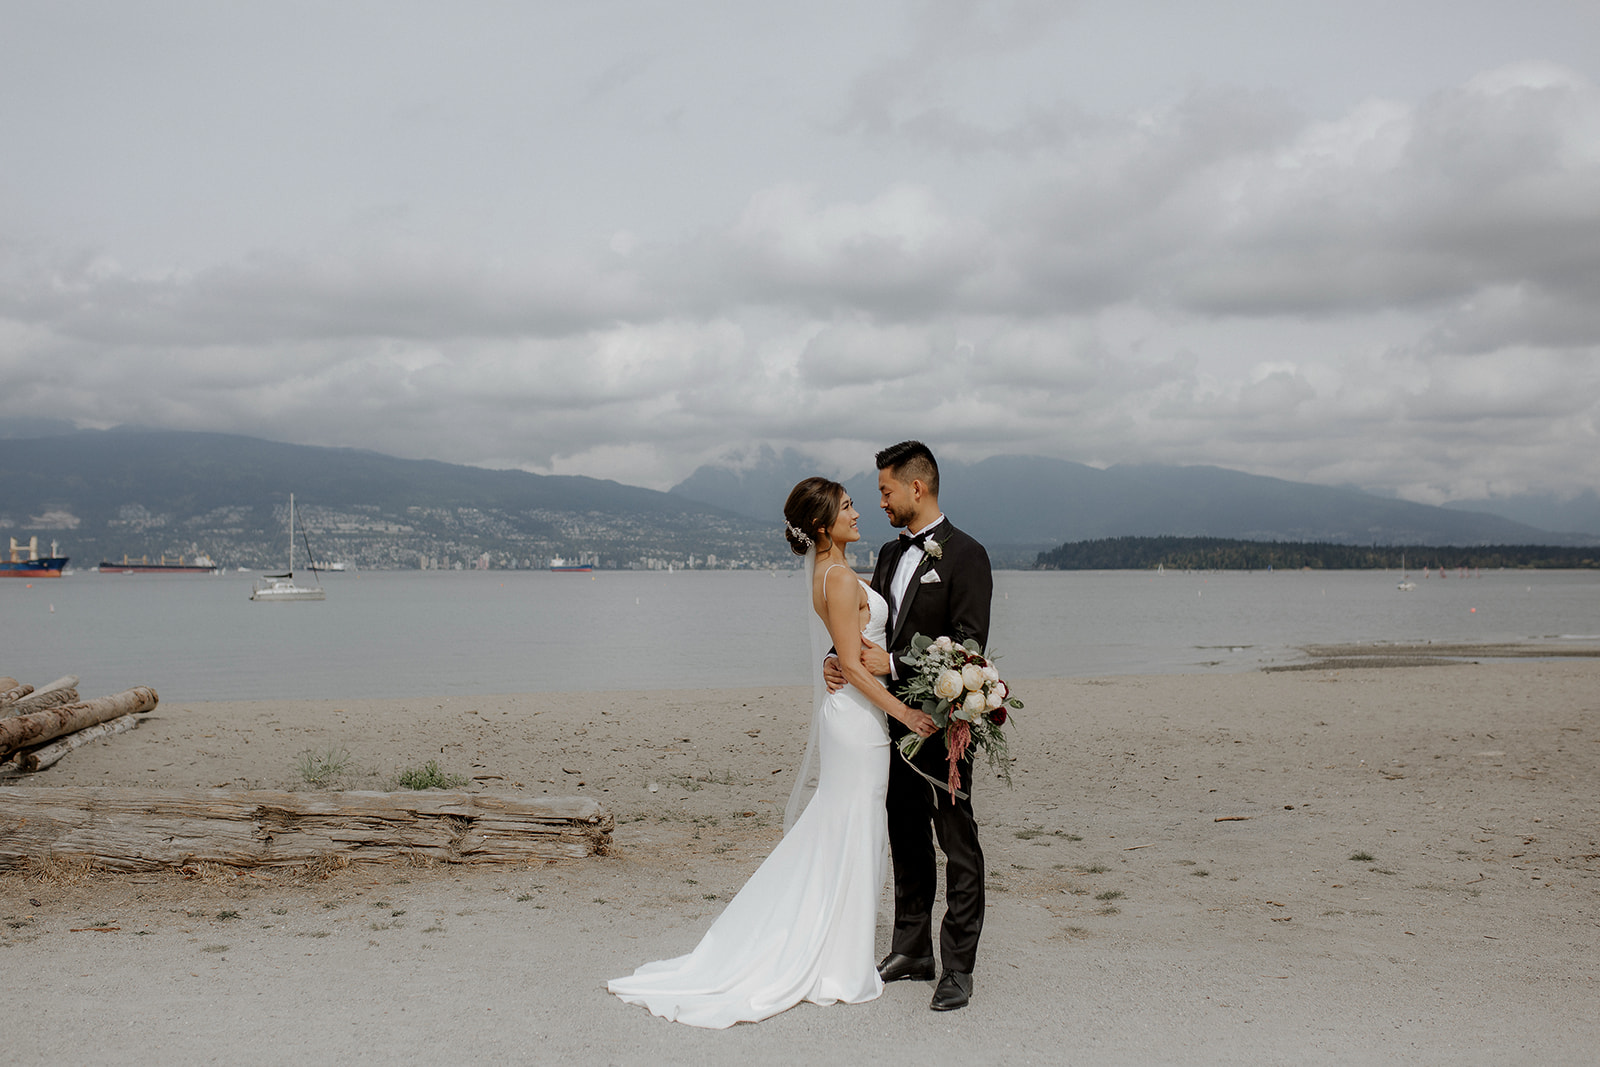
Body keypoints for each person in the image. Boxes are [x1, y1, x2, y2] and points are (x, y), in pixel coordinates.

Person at [606, 477, 936, 1028]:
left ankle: (839, 951)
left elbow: (847, 654)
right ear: (820, 525)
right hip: (859, 725)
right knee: (849, 831)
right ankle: (837, 961)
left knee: (846, 832)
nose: (858, 512)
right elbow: (852, 666)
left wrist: (862, 672)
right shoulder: (834, 576)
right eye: (848, 507)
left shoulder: (832, 571)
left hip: (858, 720)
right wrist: (906, 714)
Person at [825, 440, 993, 1011]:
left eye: (886, 491)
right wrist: (837, 657)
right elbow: (872, 625)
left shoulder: (967, 555)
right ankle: (912, 948)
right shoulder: (893, 555)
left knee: (957, 841)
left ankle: (958, 968)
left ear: (916, 488)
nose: (881, 502)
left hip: (942, 724)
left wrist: (894, 666)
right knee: (906, 837)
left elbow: (970, 648)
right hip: (887, 723)